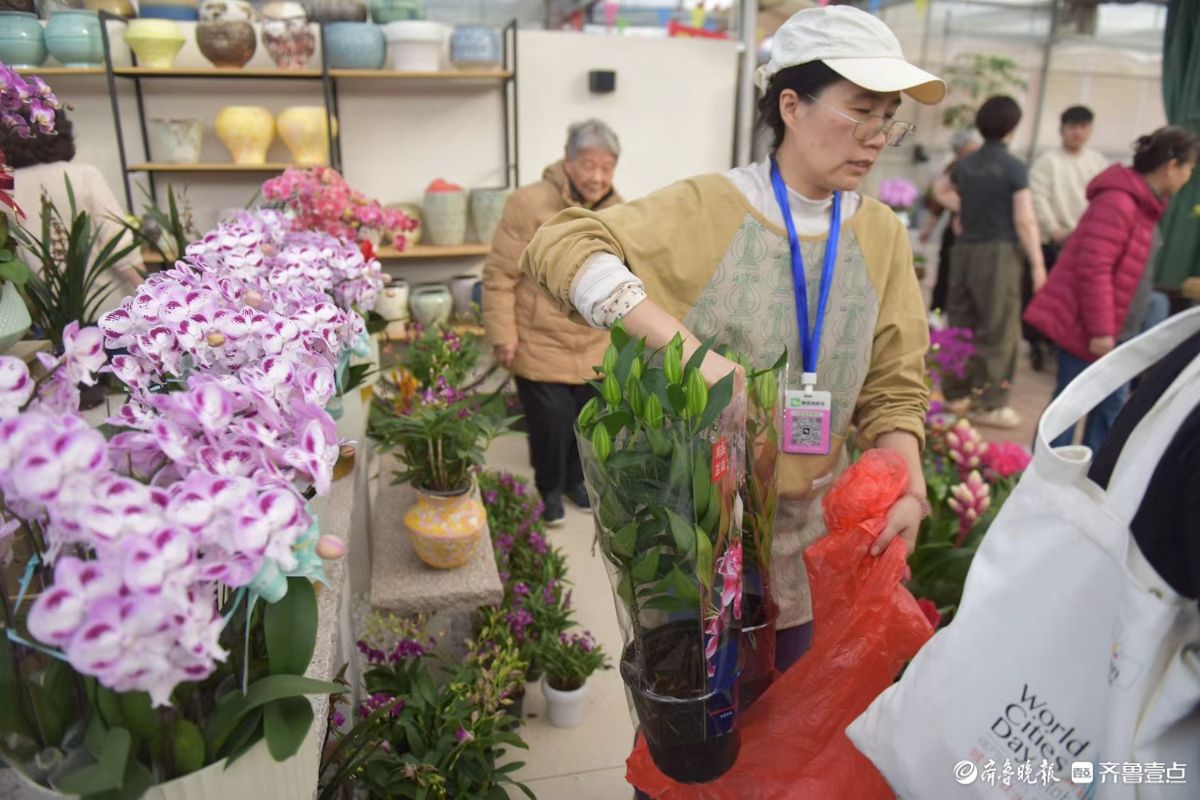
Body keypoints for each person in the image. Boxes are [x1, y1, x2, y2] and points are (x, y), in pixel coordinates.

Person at [521, 5, 940, 675]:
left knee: (782, 723)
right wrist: (689, 353)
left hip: (810, 538)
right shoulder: (710, 208)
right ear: (793, 106)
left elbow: (894, 382)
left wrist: (908, 480)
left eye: (888, 117)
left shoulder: (881, 234)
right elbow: (560, 245)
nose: (876, 137)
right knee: (697, 734)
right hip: (695, 531)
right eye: (861, 111)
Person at [482, 119, 623, 527]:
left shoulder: (620, 210)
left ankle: (576, 482)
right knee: (550, 424)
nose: (598, 176)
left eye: (607, 166)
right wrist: (503, 335)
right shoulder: (529, 203)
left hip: (593, 342)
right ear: (568, 162)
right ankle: (548, 488)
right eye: (589, 164)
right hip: (538, 341)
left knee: (585, 421)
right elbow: (499, 275)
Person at [1024, 126, 1198, 452]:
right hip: (1091, 329)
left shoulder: (1143, 204)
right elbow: (1095, 268)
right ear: (1171, 165)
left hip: (1115, 329)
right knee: (1070, 407)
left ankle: (1085, 485)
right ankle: (1041, 481)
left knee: (1107, 408)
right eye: (1189, 168)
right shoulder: (1118, 202)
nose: (1189, 176)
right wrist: (1101, 331)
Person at [940, 95, 1046, 429]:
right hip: (999, 252)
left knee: (960, 321)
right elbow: (1025, 220)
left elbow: (939, 191)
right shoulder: (1014, 167)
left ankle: (954, 394)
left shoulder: (966, 163)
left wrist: (963, 210)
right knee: (998, 329)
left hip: (965, 251)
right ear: (1012, 128)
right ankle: (990, 403)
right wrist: (1039, 265)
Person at [8, 108, 142, 315]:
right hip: (107, 312)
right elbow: (117, 243)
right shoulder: (83, 176)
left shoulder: (7, 187)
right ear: (60, 132)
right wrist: (147, 294)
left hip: (45, 318)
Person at [1025, 105, 1109, 370]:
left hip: (1087, 240)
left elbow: (1103, 200)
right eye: (1072, 127)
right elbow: (1037, 199)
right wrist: (1055, 231)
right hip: (1054, 240)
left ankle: (1061, 344)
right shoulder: (1047, 162)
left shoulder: (1097, 162)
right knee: (1046, 297)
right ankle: (1039, 344)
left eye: (1083, 127)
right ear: (1062, 130)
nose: (1077, 132)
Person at [921, 127, 981, 313]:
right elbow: (938, 201)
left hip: (975, 233)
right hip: (959, 233)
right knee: (947, 277)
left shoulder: (977, 166)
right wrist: (928, 229)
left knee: (961, 280)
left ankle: (949, 319)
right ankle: (938, 317)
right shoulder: (956, 167)